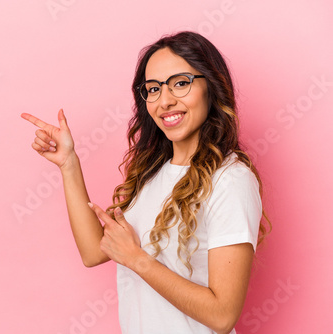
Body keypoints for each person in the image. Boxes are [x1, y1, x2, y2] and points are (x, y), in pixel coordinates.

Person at [21, 31, 271, 334]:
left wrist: (138, 260)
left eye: (181, 83)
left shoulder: (230, 179)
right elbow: (94, 251)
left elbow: (222, 315)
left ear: (211, 87)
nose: (164, 101)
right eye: (153, 89)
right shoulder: (152, 173)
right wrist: (68, 163)